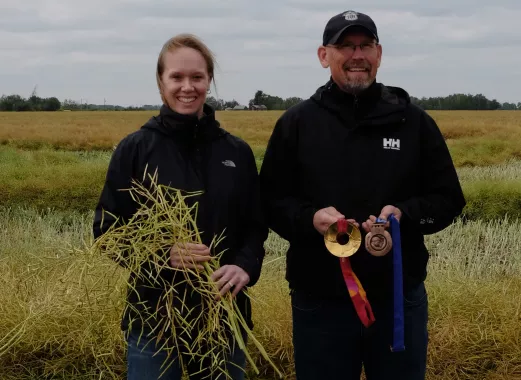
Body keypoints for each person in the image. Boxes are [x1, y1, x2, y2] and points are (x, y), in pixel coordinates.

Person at [259, 10, 466, 380]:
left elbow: (448, 199)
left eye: (365, 45)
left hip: (397, 300)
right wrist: (310, 220)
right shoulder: (297, 123)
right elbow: (270, 203)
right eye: (345, 46)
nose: (357, 55)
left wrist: (404, 214)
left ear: (379, 53)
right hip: (319, 300)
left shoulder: (413, 122)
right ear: (324, 55)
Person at [93, 33, 267, 380]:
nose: (187, 87)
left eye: (197, 77)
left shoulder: (236, 152)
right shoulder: (135, 149)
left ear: (208, 81)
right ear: (161, 82)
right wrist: (164, 254)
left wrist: (244, 267)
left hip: (223, 316)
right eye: (177, 77)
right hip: (154, 318)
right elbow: (106, 232)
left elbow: (255, 225)